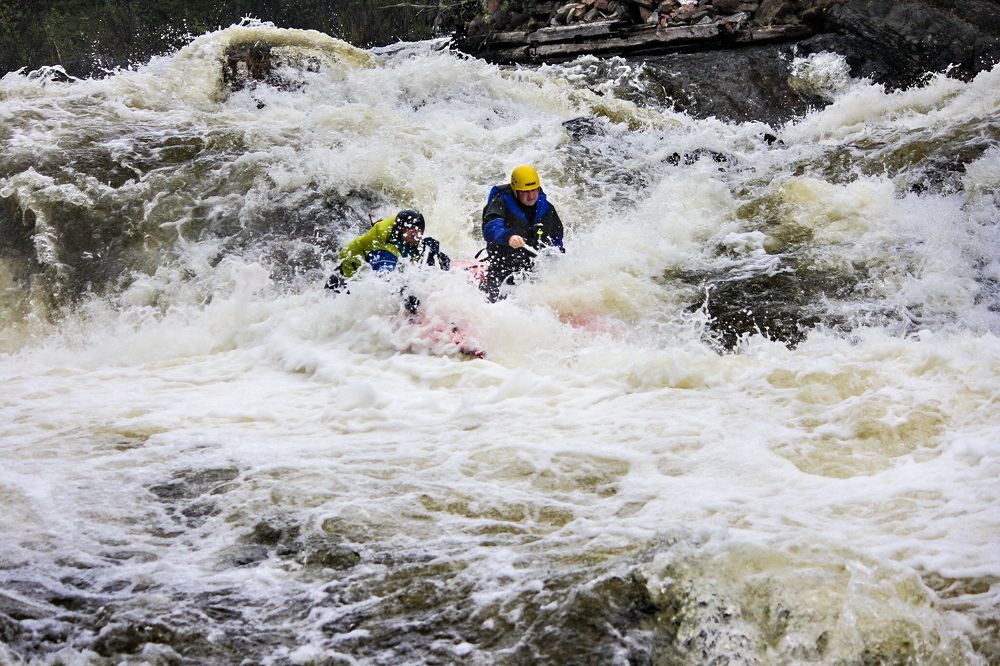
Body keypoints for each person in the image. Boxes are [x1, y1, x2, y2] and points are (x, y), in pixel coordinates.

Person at [325, 210, 450, 312]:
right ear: (400, 229)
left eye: (419, 233)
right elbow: (386, 280)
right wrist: (406, 297)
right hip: (342, 288)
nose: (416, 237)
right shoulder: (382, 250)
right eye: (411, 233)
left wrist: (432, 251)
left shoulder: (402, 234)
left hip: (356, 285)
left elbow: (412, 251)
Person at [480, 165, 564, 302]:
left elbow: (557, 238)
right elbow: (490, 227)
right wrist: (509, 237)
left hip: (533, 272)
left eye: (533, 190)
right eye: (525, 192)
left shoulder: (547, 208)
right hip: (502, 271)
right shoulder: (500, 202)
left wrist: (557, 261)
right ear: (515, 190)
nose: (531, 196)